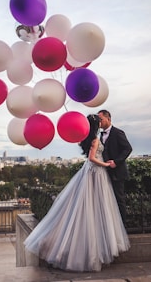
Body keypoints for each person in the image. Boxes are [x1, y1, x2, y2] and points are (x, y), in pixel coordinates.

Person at [24, 114, 130, 272]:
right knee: (98, 204)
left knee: (89, 204)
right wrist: (106, 165)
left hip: (93, 173)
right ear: (95, 125)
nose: (100, 123)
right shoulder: (95, 139)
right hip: (97, 172)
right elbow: (92, 158)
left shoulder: (91, 138)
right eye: (98, 121)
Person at [97, 110, 132, 225]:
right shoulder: (100, 135)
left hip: (117, 172)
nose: (99, 122)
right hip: (105, 172)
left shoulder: (118, 132)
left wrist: (116, 162)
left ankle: (122, 226)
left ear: (108, 119)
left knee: (119, 200)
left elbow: (127, 149)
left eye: (101, 119)